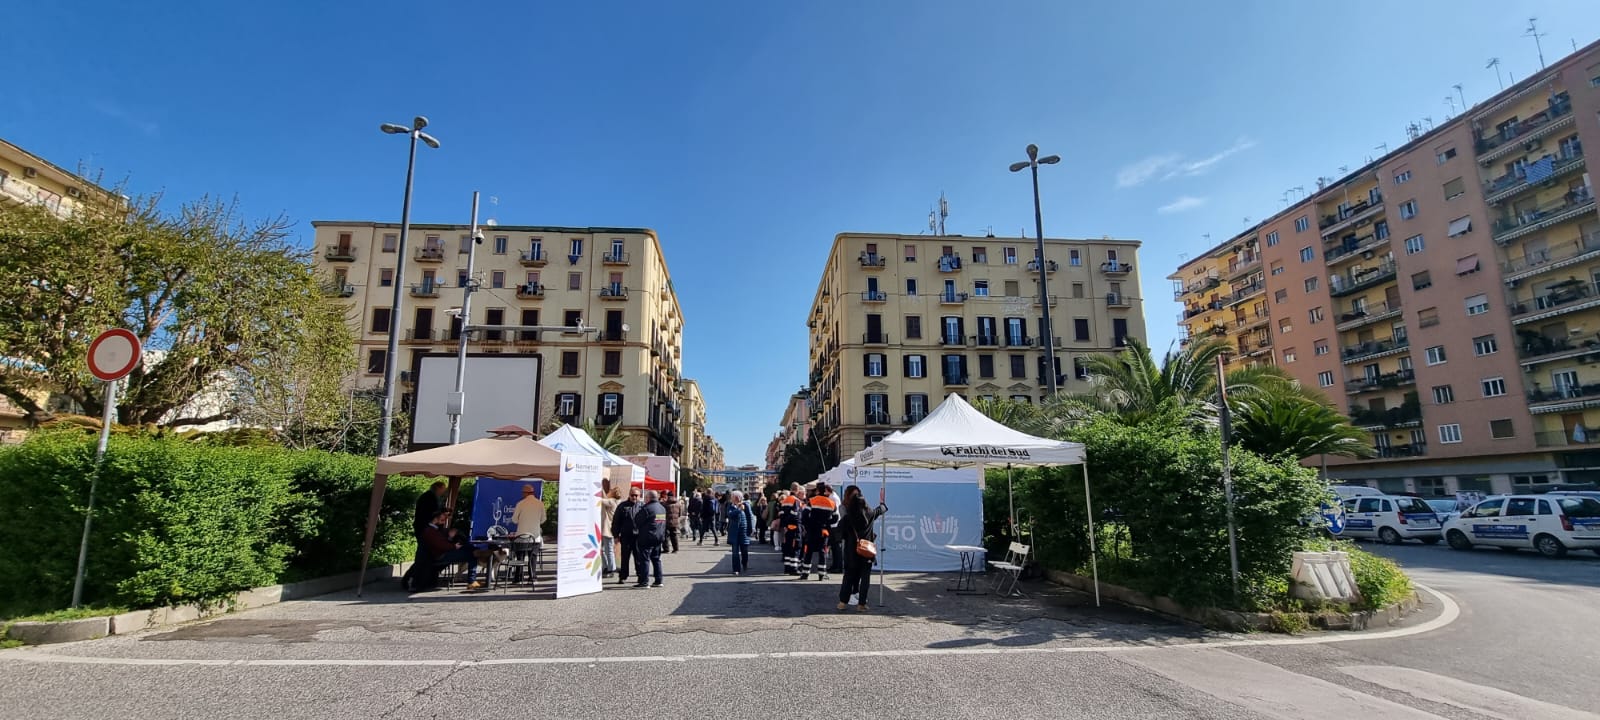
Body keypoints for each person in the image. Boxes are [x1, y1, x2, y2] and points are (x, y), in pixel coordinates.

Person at [836, 485, 887, 612]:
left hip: (851, 552)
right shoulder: (870, 513)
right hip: (866, 552)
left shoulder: (847, 518)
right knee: (865, 578)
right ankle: (861, 604)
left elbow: (838, 534)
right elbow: (880, 510)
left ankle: (842, 602)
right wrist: (882, 503)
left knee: (848, 577)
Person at [418, 508, 487, 591]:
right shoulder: (430, 531)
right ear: (435, 519)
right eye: (442, 519)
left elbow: (442, 540)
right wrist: (454, 546)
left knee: (469, 548)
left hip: (444, 551)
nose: (444, 521)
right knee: (472, 555)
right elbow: (440, 545)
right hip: (441, 555)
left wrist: (451, 536)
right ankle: (472, 581)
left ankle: (478, 552)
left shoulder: (435, 528)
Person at [799, 483, 837, 581]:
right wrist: (826, 523)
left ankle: (805, 574)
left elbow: (804, 516)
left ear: (818, 491)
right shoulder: (832, 503)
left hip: (812, 530)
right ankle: (821, 574)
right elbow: (835, 518)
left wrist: (808, 526)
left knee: (809, 551)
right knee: (822, 551)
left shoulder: (812, 501)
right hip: (824, 531)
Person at [633, 490, 667, 588]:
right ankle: (658, 580)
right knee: (656, 559)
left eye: (645, 497)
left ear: (648, 498)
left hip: (647, 537)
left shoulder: (646, 508)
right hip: (658, 537)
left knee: (644, 559)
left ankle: (644, 581)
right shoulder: (662, 508)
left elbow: (637, 520)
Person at [613, 487, 641, 585]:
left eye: (636, 495)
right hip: (626, 537)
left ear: (639, 496)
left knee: (638, 558)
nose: (634, 497)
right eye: (632, 495)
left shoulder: (642, 506)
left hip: (638, 537)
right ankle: (623, 576)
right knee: (625, 558)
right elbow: (616, 522)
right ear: (629, 495)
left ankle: (640, 576)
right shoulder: (622, 506)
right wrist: (615, 535)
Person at [725, 491, 755, 575]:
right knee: (735, 552)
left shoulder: (745, 505)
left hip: (744, 531)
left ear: (738, 498)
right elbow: (730, 515)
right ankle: (736, 569)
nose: (731, 498)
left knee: (744, 550)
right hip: (734, 532)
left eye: (733, 497)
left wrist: (751, 529)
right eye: (732, 497)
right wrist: (738, 509)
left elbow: (749, 517)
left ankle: (744, 564)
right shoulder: (730, 506)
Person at [778, 489, 804, 574]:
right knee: (795, 547)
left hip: (786, 529)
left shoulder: (785, 501)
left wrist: (785, 525)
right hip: (794, 528)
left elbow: (781, 514)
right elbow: (795, 515)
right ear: (796, 490)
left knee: (788, 548)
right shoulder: (796, 501)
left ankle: (787, 568)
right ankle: (794, 568)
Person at [599, 486, 620, 577]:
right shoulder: (616, 501)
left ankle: (611, 568)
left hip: (607, 529)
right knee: (604, 549)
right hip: (610, 529)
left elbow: (600, 500)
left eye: (610, 491)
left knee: (608, 550)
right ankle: (607, 567)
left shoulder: (611, 501)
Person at [826, 484, 844, 574]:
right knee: (834, 547)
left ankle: (838, 566)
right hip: (835, 525)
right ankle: (835, 565)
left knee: (836, 547)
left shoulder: (833, 498)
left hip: (835, 525)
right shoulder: (833, 496)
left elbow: (834, 511)